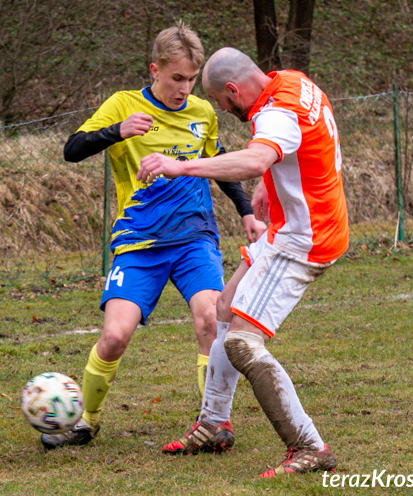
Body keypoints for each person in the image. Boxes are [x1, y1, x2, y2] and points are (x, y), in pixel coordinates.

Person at [40, 26, 265, 450]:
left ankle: (214, 422)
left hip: (194, 238)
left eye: (191, 79)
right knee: (115, 336)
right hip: (139, 243)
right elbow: (72, 149)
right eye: (176, 78)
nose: (184, 88)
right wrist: (117, 131)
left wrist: (247, 211)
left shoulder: (202, 112)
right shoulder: (123, 105)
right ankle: (85, 421)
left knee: (209, 320)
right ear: (155, 70)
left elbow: (217, 163)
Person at [137, 47, 349, 478]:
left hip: (303, 238)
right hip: (295, 221)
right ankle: (214, 424)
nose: (223, 109)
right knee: (222, 311)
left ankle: (310, 446)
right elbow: (303, 145)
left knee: (241, 342)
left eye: (222, 102)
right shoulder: (290, 81)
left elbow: (256, 158)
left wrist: (180, 167)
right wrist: (272, 185)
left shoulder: (275, 112)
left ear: (234, 89)